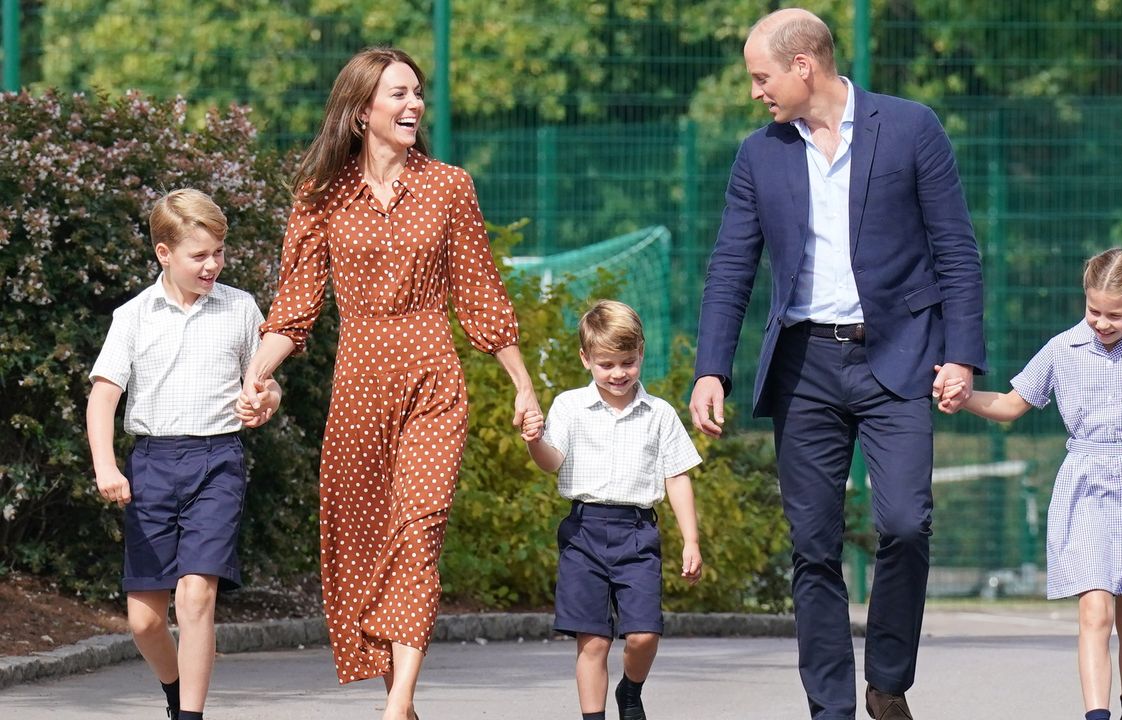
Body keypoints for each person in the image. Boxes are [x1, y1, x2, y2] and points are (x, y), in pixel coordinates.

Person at [688, 8, 986, 720]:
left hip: (900, 357)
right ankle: (830, 709)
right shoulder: (760, 154)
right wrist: (711, 369)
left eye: (762, 76)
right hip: (805, 366)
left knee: (906, 523)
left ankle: (886, 681)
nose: (756, 91)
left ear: (804, 67)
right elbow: (732, 265)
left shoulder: (912, 127)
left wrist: (962, 357)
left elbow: (956, 250)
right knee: (813, 546)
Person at [238, 47, 540, 719]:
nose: (414, 106)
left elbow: (481, 295)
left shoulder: (449, 186)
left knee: (418, 531)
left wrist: (523, 384)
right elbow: (295, 307)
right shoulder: (321, 196)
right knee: (370, 540)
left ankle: (396, 705)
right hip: (359, 385)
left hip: (433, 376)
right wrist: (257, 377)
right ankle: (402, 703)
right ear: (359, 111)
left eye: (418, 94)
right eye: (398, 95)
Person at [954, 249, 1122, 720]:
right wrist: (965, 397)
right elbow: (1012, 405)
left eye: (1114, 314)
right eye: (1093, 309)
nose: (1101, 321)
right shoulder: (1063, 348)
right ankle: (1096, 715)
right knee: (1094, 613)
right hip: (1084, 487)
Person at [86, 188, 281, 720]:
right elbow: (104, 395)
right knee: (145, 621)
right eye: (200, 255)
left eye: (219, 252)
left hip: (218, 463)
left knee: (196, 596)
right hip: (150, 466)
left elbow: (264, 382)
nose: (213, 264)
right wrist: (107, 465)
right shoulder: (133, 316)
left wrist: (265, 400)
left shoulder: (239, 306)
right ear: (164, 254)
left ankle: (191, 716)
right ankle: (176, 694)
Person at [521, 300, 702, 720]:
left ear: (640, 354)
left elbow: (677, 477)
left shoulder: (659, 414)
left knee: (643, 635)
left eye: (627, 361)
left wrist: (690, 540)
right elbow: (552, 461)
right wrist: (534, 440)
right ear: (586, 359)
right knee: (594, 639)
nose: (618, 373)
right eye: (606, 364)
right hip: (583, 532)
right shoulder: (569, 407)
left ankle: (631, 691)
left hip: (637, 533)